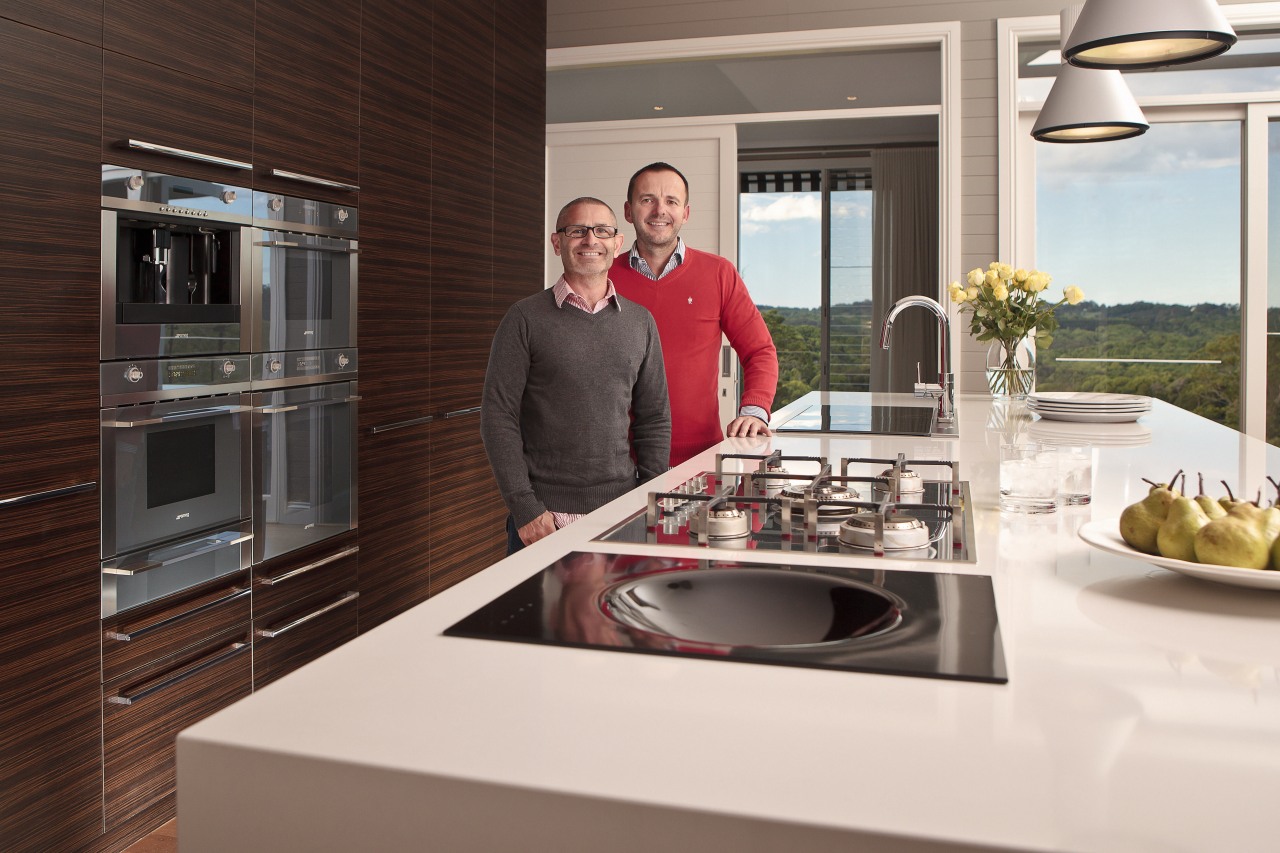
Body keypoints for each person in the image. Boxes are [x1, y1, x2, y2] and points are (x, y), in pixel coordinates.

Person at [481, 197, 671, 555]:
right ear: (557, 243)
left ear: (616, 244)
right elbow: (497, 417)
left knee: (615, 611)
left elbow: (654, 418)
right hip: (543, 518)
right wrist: (525, 508)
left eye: (602, 231)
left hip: (621, 513)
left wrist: (650, 499)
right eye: (577, 231)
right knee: (536, 613)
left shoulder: (640, 322)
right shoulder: (523, 319)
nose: (590, 240)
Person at [610, 161, 779, 466]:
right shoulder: (604, 277)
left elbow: (760, 351)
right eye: (647, 200)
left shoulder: (719, 273)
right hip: (618, 461)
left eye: (671, 201)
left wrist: (754, 412)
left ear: (685, 213)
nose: (659, 210)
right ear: (628, 211)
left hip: (701, 459)